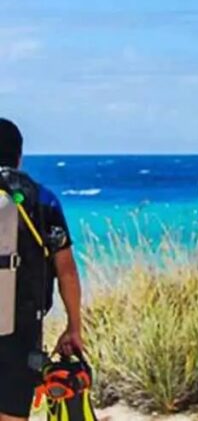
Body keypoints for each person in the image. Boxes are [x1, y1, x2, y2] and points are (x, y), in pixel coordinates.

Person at [0, 119, 84, 421]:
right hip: (23, 331)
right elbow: (67, 271)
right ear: (19, 156)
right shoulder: (43, 199)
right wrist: (74, 326)